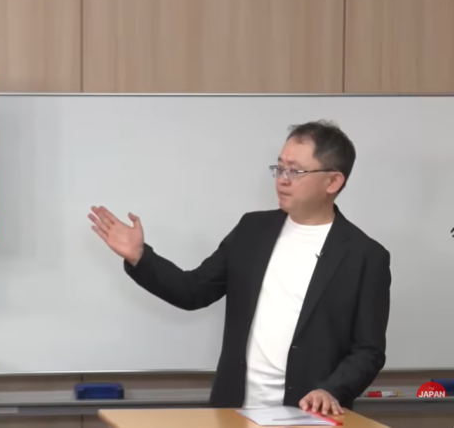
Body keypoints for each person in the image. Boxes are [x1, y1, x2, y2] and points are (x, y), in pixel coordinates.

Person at [88, 121, 391, 416]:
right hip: (235, 411)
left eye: (295, 171)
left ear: (333, 182)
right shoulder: (252, 230)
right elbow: (193, 291)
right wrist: (140, 256)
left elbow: (368, 351)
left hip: (308, 416)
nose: (282, 179)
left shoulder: (365, 256)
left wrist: (332, 390)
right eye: (279, 168)